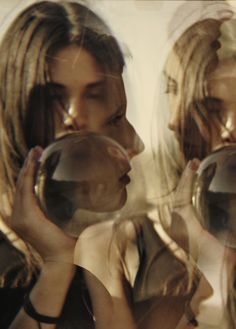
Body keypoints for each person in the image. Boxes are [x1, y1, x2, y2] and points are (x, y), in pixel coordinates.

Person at [0, 1, 144, 328]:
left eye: (95, 96)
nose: (74, 116)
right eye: (54, 97)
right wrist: (57, 265)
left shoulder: (118, 243)